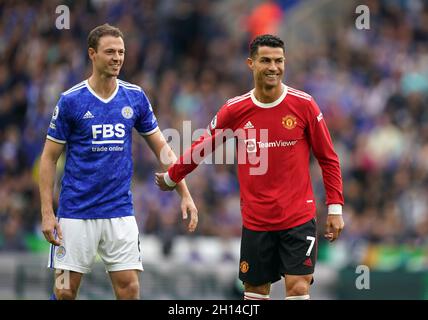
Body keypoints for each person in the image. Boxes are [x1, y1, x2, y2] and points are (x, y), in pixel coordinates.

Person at [155, 34, 344, 300]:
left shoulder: (304, 105)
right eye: (265, 60)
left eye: (279, 61)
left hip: (298, 217)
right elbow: (204, 145)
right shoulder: (236, 109)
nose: (273, 67)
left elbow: (328, 158)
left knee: (299, 288)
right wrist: (173, 177)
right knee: (255, 292)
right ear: (250, 64)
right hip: (257, 221)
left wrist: (335, 207)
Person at [39, 24, 198, 300]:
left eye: (121, 52)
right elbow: (49, 158)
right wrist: (47, 212)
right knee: (65, 291)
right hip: (75, 212)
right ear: (92, 54)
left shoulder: (134, 97)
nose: (117, 58)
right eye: (110, 51)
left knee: (129, 290)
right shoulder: (71, 100)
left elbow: (163, 149)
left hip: (119, 212)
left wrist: (184, 192)